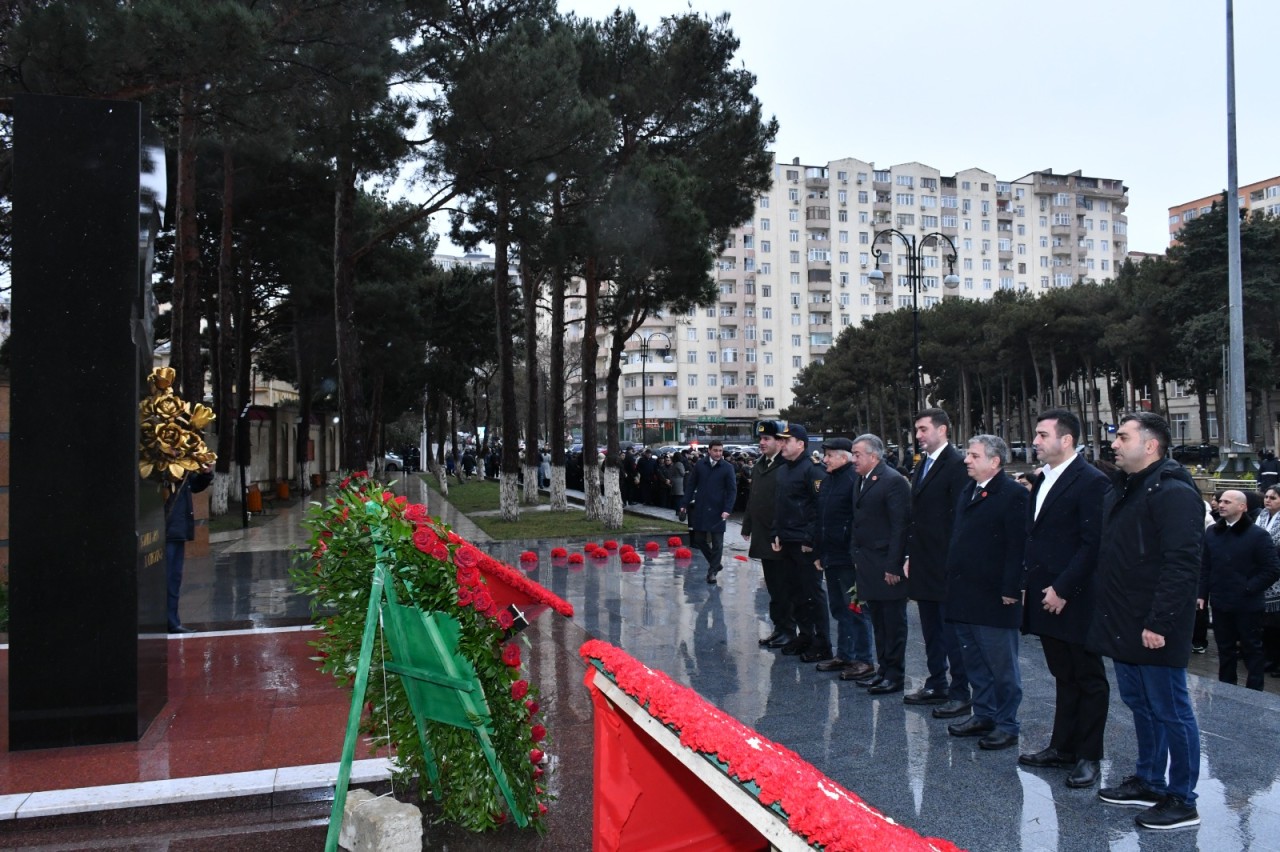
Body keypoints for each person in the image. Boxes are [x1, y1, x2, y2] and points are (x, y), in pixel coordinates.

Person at [1089, 412, 1204, 831]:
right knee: (1141, 705)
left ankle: (1182, 798)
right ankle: (1150, 779)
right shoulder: (1124, 489)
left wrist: (1160, 622)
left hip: (1155, 625)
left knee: (1171, 710)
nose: (1113, 444)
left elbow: (1182, 564)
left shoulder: (1173, 492)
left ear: (1150, 445)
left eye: (1122, 437)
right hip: (1123, 621)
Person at [1018, 409, 1112, 788]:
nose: (1035, 442)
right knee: (1063, 675)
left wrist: (1062, 589)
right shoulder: (1043, 479)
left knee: (1088, 677)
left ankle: (1089, 756)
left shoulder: (1091, 481)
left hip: (1076, 597)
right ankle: (1062, 747)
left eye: (1042, 435)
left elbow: (1093, 545)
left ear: (1066, 439)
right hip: (1046, 596)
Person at [943, 435, 1028, 751]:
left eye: (974, 455)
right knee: (974, 662)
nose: (966, 460)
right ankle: (984, 713)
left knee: (1002, 667)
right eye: (967, 454)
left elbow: (1018, 546)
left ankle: (1007, 724)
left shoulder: (1013, 494)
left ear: (995, 461)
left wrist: (1011, 588)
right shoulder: (970, 490)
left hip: (995, 597)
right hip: (964, 594)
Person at [903, 408, 971, 716]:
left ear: (942, 430)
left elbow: (959, 517)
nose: (918, 436)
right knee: (930, 629)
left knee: (951, 633)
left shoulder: (956, 465)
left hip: (945, 563)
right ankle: (936, 683)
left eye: (923, 430)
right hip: (924, 562)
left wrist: (953, 561)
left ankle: (960, 692)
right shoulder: (923, 465)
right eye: (917, 430)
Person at [846, 434, 912, 694]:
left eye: (857, 454)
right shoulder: (862, 480)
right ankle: (883, 670)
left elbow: (900, 527)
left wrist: (894, 565)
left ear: (874, 456)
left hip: (886, 565)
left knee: (893, 623)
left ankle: (894, 675)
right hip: (867, 563)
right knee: (879, 622)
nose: (853, 459)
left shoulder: (893, 481)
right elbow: (858, 520)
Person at [1198, 489, 1280, 690]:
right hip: (1220, 601)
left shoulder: (1258, 536)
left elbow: (1272, 569)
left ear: (1242, 507)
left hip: (1247, 603)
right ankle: (1226, 689)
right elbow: (1206, 565)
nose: (1221, 504)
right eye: (1221, 501)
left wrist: (1249, 587)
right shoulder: (1213, 532)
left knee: (1252, 649)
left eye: (1228, 501)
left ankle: (1254, 691)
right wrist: (1202, 594)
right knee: (1225, 649)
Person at [813, 437, 876, 680]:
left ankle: (864, 659)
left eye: (829, 455)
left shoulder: (853, 480)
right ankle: (845, 654)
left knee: (856, 609)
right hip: (830, 555)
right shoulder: (828, 481)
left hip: (848, 558)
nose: (824, 459)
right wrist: (818, 552)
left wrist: (854, 554)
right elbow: (822, 519)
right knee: (839, 608)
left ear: (844, 457)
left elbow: (857, 521)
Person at [770, 423, 830, 661]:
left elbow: (819, 508)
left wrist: (810, 539)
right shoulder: (783, 470)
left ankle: (821, 641)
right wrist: (776, 532)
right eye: (781, 441)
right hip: (787, 539)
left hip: (805, 543)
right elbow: (780, 504)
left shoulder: (812, 470)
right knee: (794, 592)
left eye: (786, 441)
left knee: (812, 593)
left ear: (801, 444)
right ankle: (804, 635)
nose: (782, 445)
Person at [742, 420, 794, 647]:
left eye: (766, 439)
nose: (761, 443)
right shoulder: (761, 464)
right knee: (773, 587)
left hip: (779, 538)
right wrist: (746, 525)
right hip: (763, 535)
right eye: (760, 439)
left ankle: (788, 630)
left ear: (780, 442)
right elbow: (754, 497)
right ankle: (778, 627)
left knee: (784, 587)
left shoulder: (785, 465)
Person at [165, 465, 214, 633]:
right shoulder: (161, 465)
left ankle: (172, 621)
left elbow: (193, 485)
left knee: (174, 577)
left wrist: (206, 474)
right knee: (167, 577)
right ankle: (169, 622)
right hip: (167, 528)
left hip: (178, 528)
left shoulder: (181, 464)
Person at [681, 440, 737, 585]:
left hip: (719, 511)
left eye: (720, 450)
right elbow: (691, 485)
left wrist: (727, 509)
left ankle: (712, 572)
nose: (718, 453)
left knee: (718, 543)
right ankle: (715, 562)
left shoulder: (727, 467)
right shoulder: (700, 465)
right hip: (701, 508)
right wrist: (684, 504)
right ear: (709, 451)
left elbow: (732, 491)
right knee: (699, 540)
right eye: (716, 450)